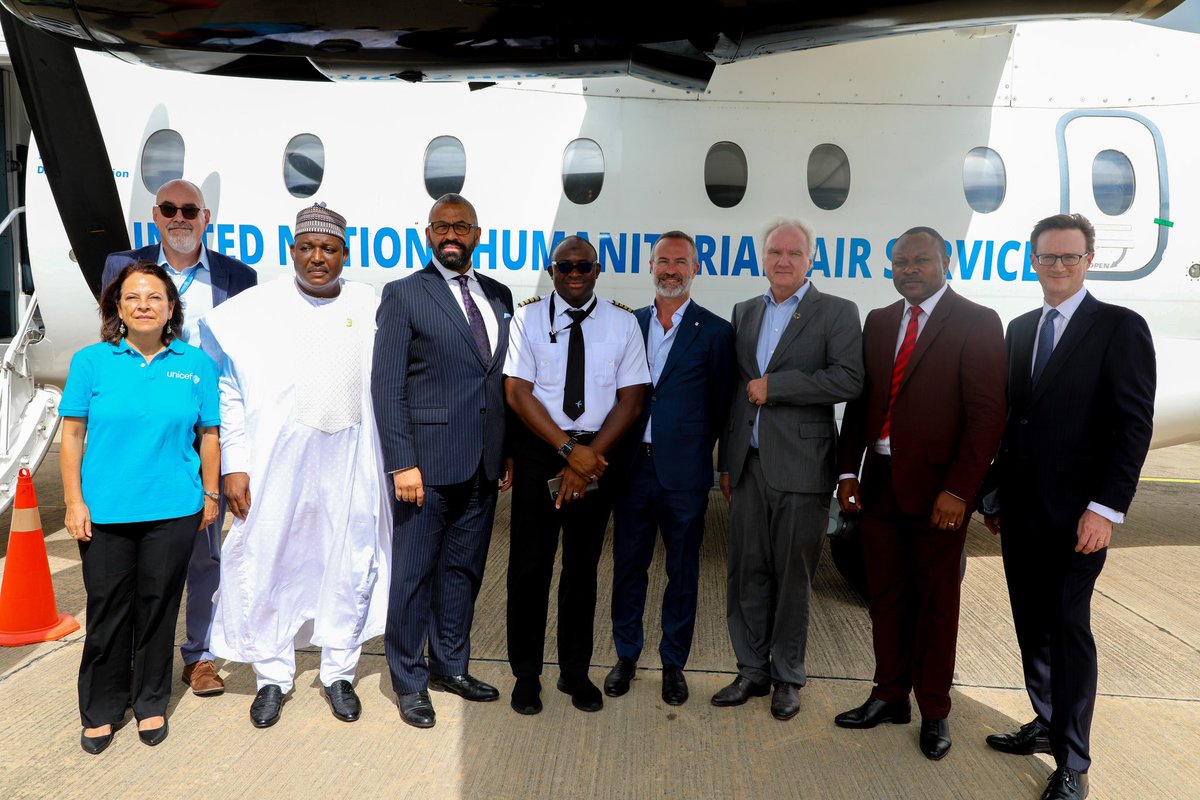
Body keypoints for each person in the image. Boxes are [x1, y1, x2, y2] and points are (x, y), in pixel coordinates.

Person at [982, 213, 1155, 800]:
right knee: (1032, 623)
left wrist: (1106, 509)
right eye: (1047, 258)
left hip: (1078, 518)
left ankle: (1074, 760)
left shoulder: (1119, 327)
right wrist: (995, 492)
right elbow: (1011, 420)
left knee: (1068, 629)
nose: (1057, 267)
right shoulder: (1021, 327)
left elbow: (1133, 426)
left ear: (1088, 260)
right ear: (1033, 262)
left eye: (1069, 258)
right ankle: (1045, 719)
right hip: (1022, 511)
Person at [200, 203, 391, 728]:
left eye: (328, 248)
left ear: (344, 254)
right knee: (270, 561)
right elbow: (228, 390)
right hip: (274, 465)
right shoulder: (255, 309)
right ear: (292, 251)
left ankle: (338, 673)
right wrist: (234, 465)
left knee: (348, 561)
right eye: (307, 247)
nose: (317, 258)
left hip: (350, 462)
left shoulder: (369, 304)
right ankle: (272, 678)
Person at [833, 226, 1006, 760]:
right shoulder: (880, 322)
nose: (910, 268)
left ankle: (934, 711)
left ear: (945, 261)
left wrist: (961, 490)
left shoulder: (977, 322)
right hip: (881, 483)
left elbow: (986, 417)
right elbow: (862, 407)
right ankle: (889, 696)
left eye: (921, 259)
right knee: (884, 597)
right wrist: (847, 472)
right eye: (901, 261)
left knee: (935, 605)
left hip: (939, 494)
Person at [103, 178, 257, 697]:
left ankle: (200, 655)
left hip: (207, 432)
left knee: (205, 552)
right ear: (155, 215)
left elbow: (245, 362)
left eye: (189, 210)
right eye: (169, 209)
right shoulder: (125, 267)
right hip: (145, 433)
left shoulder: (240, 277)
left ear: (206, 217)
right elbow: (107, 339)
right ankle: (134, 659)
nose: (179, 217)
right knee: (137, 554)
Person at [61, 262, 220, 753]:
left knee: (158, 608)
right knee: (108, 610)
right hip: (105, 512)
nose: (144, 305)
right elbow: (72, 433)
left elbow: (209, 435)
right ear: (118, 308)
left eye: (155, 297)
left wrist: (210, 495)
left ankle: (151, 701)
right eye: (133, 297)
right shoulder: (92, 362)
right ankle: (102, 707)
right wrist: (73, 501)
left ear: (172, 308)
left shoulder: (195, 364)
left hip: (174, 509)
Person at [372, 193, 514, 729]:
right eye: (441, 227)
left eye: (461, 227)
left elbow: (499, 382)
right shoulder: (405, 294)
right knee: (413, 575)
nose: (451, 235)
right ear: (427, 234)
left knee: (463, 572)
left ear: (478, 234)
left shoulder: (497, 295)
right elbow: (387, 387)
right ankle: (409, 681)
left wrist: (503, 452)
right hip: (424, 469)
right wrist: (402, 462)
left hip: (481, 465)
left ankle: (450, 666)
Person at [714, 217, 863, 720]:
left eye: (794, 254)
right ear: (762, 258)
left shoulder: (837, 312)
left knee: (793, 577)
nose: (783, 260)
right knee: (745, 572)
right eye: (775, 252)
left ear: (810, 260)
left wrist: (778, 387)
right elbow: (739, 391)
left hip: (803, 466)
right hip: (749, 466)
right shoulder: (745, 311)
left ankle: (787, 676)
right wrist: (728, 462)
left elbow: (847, 380)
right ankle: (751, 670)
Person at [504, 235, 649, 715]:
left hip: (598, 453)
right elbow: (518, 393)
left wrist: (587, 457)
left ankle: (574, 673)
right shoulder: (526, 318)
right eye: (564, 266)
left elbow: (632, 399)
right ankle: (527, 675)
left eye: (582, 266)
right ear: (551, 270)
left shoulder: (623, 322)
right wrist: (568, 451)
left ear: (597, 269)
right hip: (541, 450)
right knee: (529, 568)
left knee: (582, 571)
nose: (573, 274)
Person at [604, 231, 733, 706]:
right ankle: (626, 655)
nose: (671, 269)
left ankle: (674, 662)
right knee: (628, 567)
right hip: (632, 470)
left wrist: (697, 448)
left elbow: (721, 406)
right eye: (663, 261)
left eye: (681, 262)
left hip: (683, 475)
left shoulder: (715, 332)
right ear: (651, 267)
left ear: (695, 270)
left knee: (682, 572)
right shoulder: (627, 324)